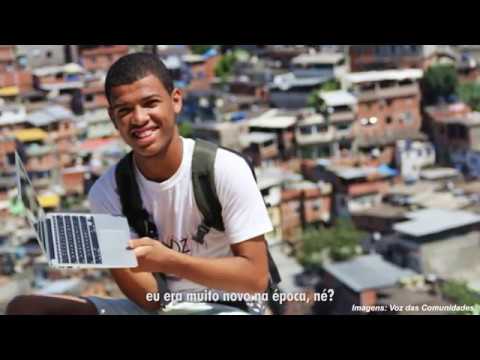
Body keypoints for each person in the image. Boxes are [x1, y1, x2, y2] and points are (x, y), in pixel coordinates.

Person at [6, 52, 273, 315]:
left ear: (176, 101)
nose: (139, 118)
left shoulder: (222, 169)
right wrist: (112, 253)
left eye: (150, 103)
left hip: (230, 305)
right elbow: (150, 300)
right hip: (164, 309)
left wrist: (169, 260)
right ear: (113, 119)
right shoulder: (108, 190)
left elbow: (255, 279)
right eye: (125, 110)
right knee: (24, 307)